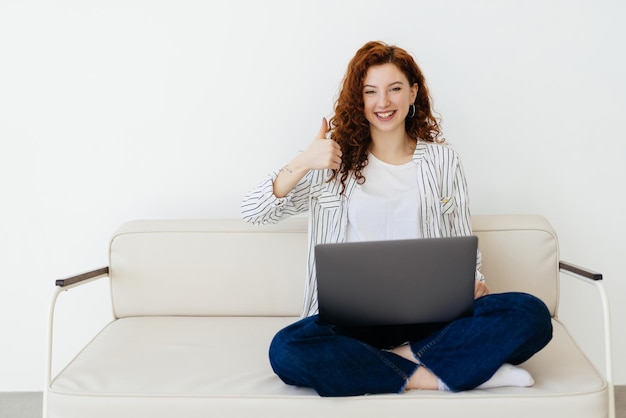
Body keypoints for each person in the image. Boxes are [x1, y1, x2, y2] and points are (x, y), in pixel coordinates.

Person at [241, 40, 552, 397]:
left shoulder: (443, 162)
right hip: (348, 325)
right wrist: (303, 161)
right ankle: (435, 374)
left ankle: (391, 360)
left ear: (413, 92)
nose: (383, 102)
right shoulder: (330, 163)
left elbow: (461, 242)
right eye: (370, 92)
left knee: (530, 313)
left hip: (434, 321)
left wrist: (473, 283)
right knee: (286, 350)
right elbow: (254, 212)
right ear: (359, 100)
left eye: (394, 89)